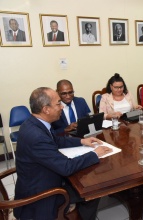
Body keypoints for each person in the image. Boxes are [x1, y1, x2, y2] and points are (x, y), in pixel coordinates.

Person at [13, 87, 112, 220]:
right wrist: (95, 154)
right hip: (43, 195)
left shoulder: (35, 123)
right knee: (93, 190)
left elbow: (56, 141)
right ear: (46, 109)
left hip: (41, 179)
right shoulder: (36, 136)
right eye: (58, 103)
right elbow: (66, 167)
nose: (62, 107)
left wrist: (82, 141)